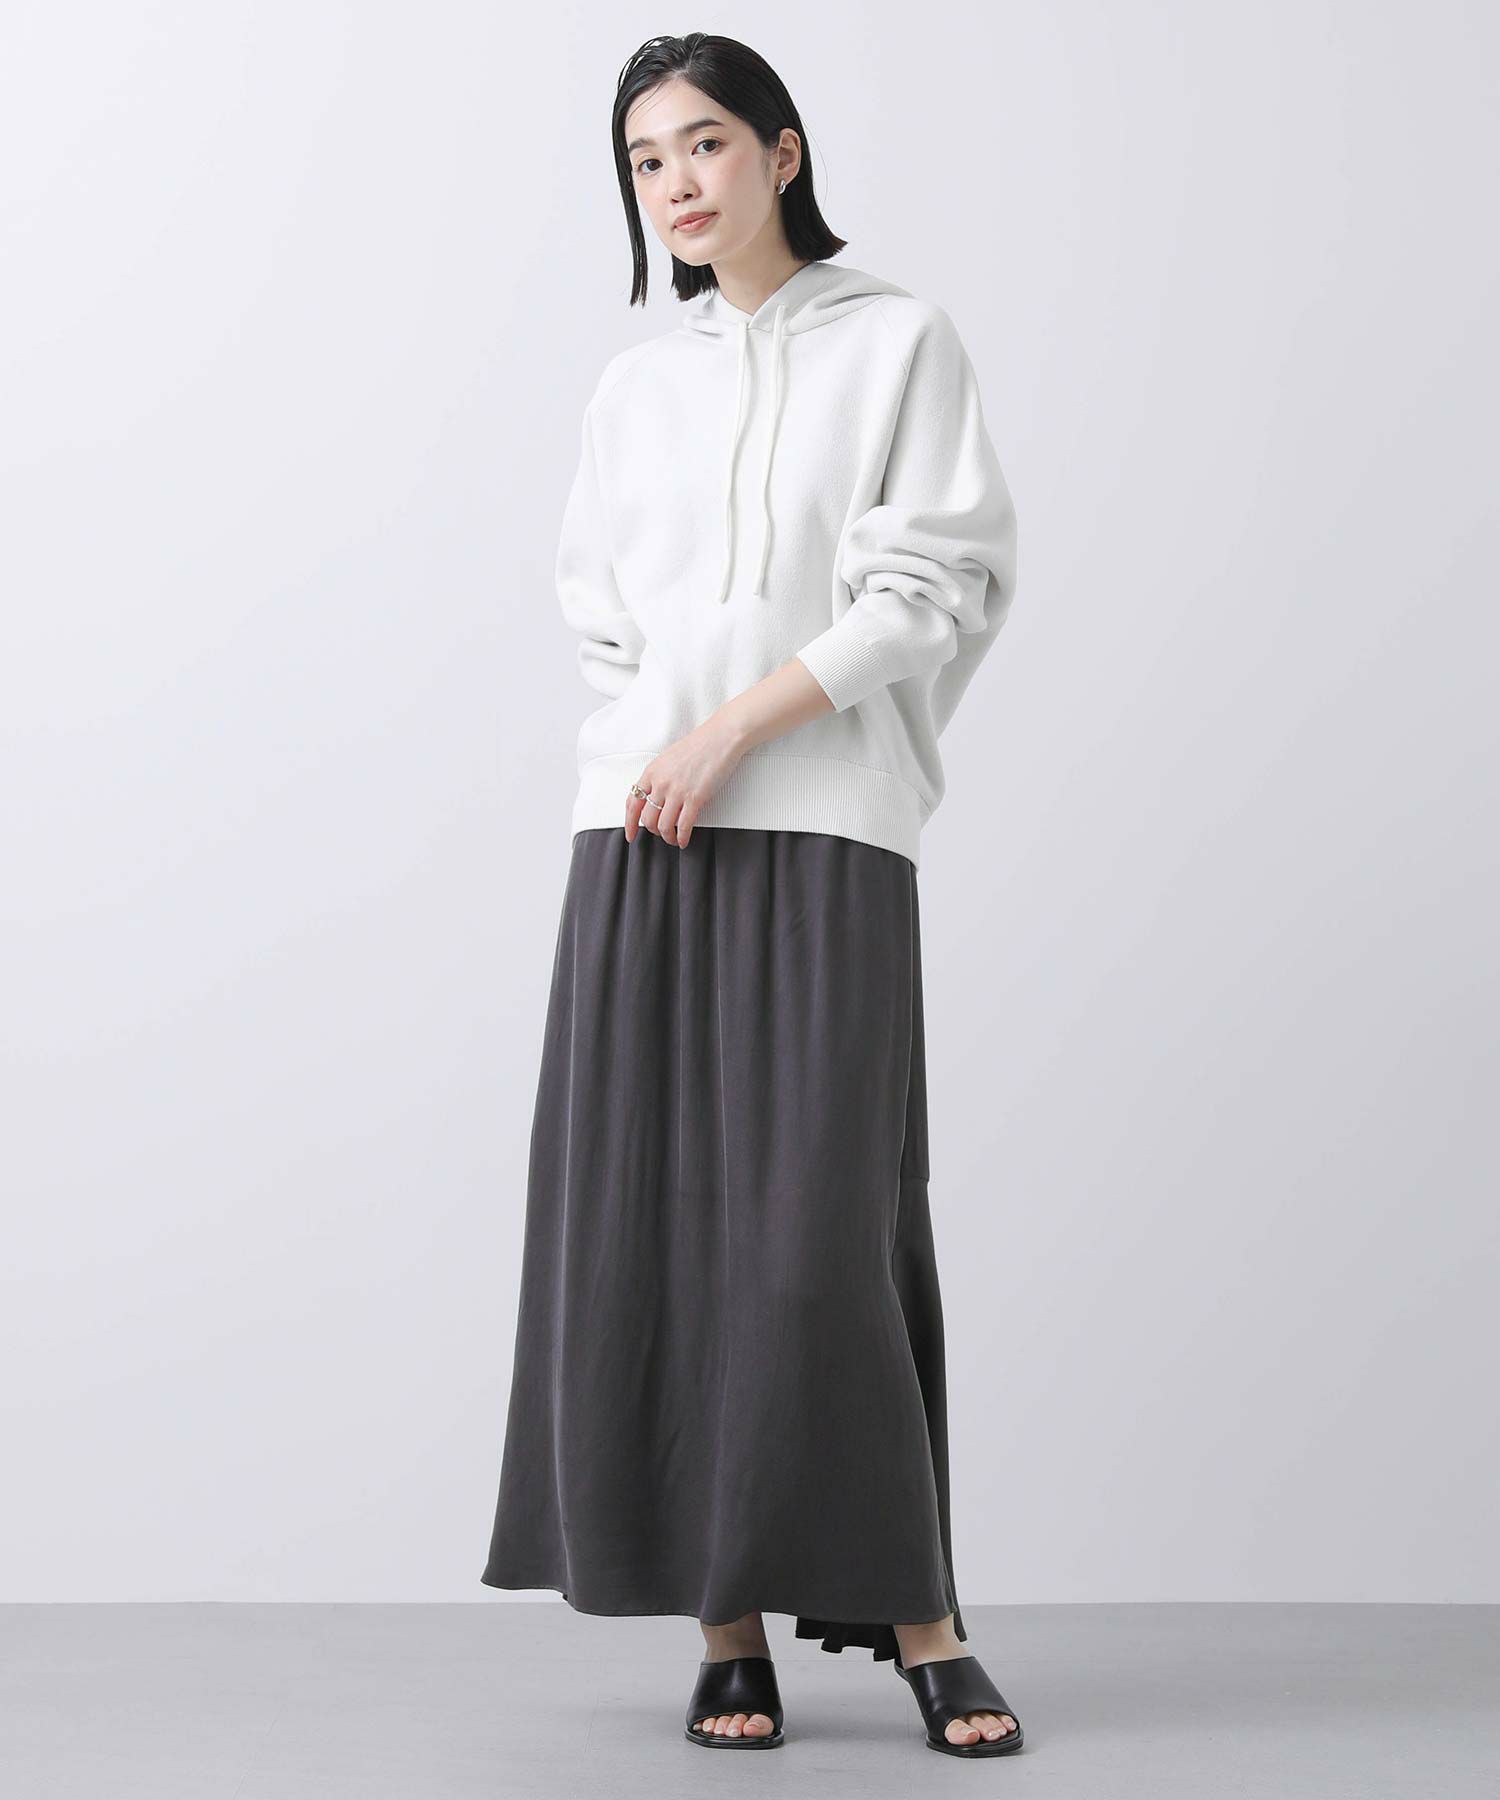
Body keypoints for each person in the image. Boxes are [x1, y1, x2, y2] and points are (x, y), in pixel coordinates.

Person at [479, 32, 1026, 1759]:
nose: (678, 183)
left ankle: (923, 1622)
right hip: (641, 836)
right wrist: (657, 744)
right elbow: (602, 620)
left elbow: (932, 590)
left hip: (824, 825)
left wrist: (731, 727)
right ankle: (725, 1632)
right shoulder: (635, 389)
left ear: (782, 152)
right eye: (647, 161)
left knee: (818, 1242)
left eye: (706, 143)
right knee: (652, 1230)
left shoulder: (899, 342)